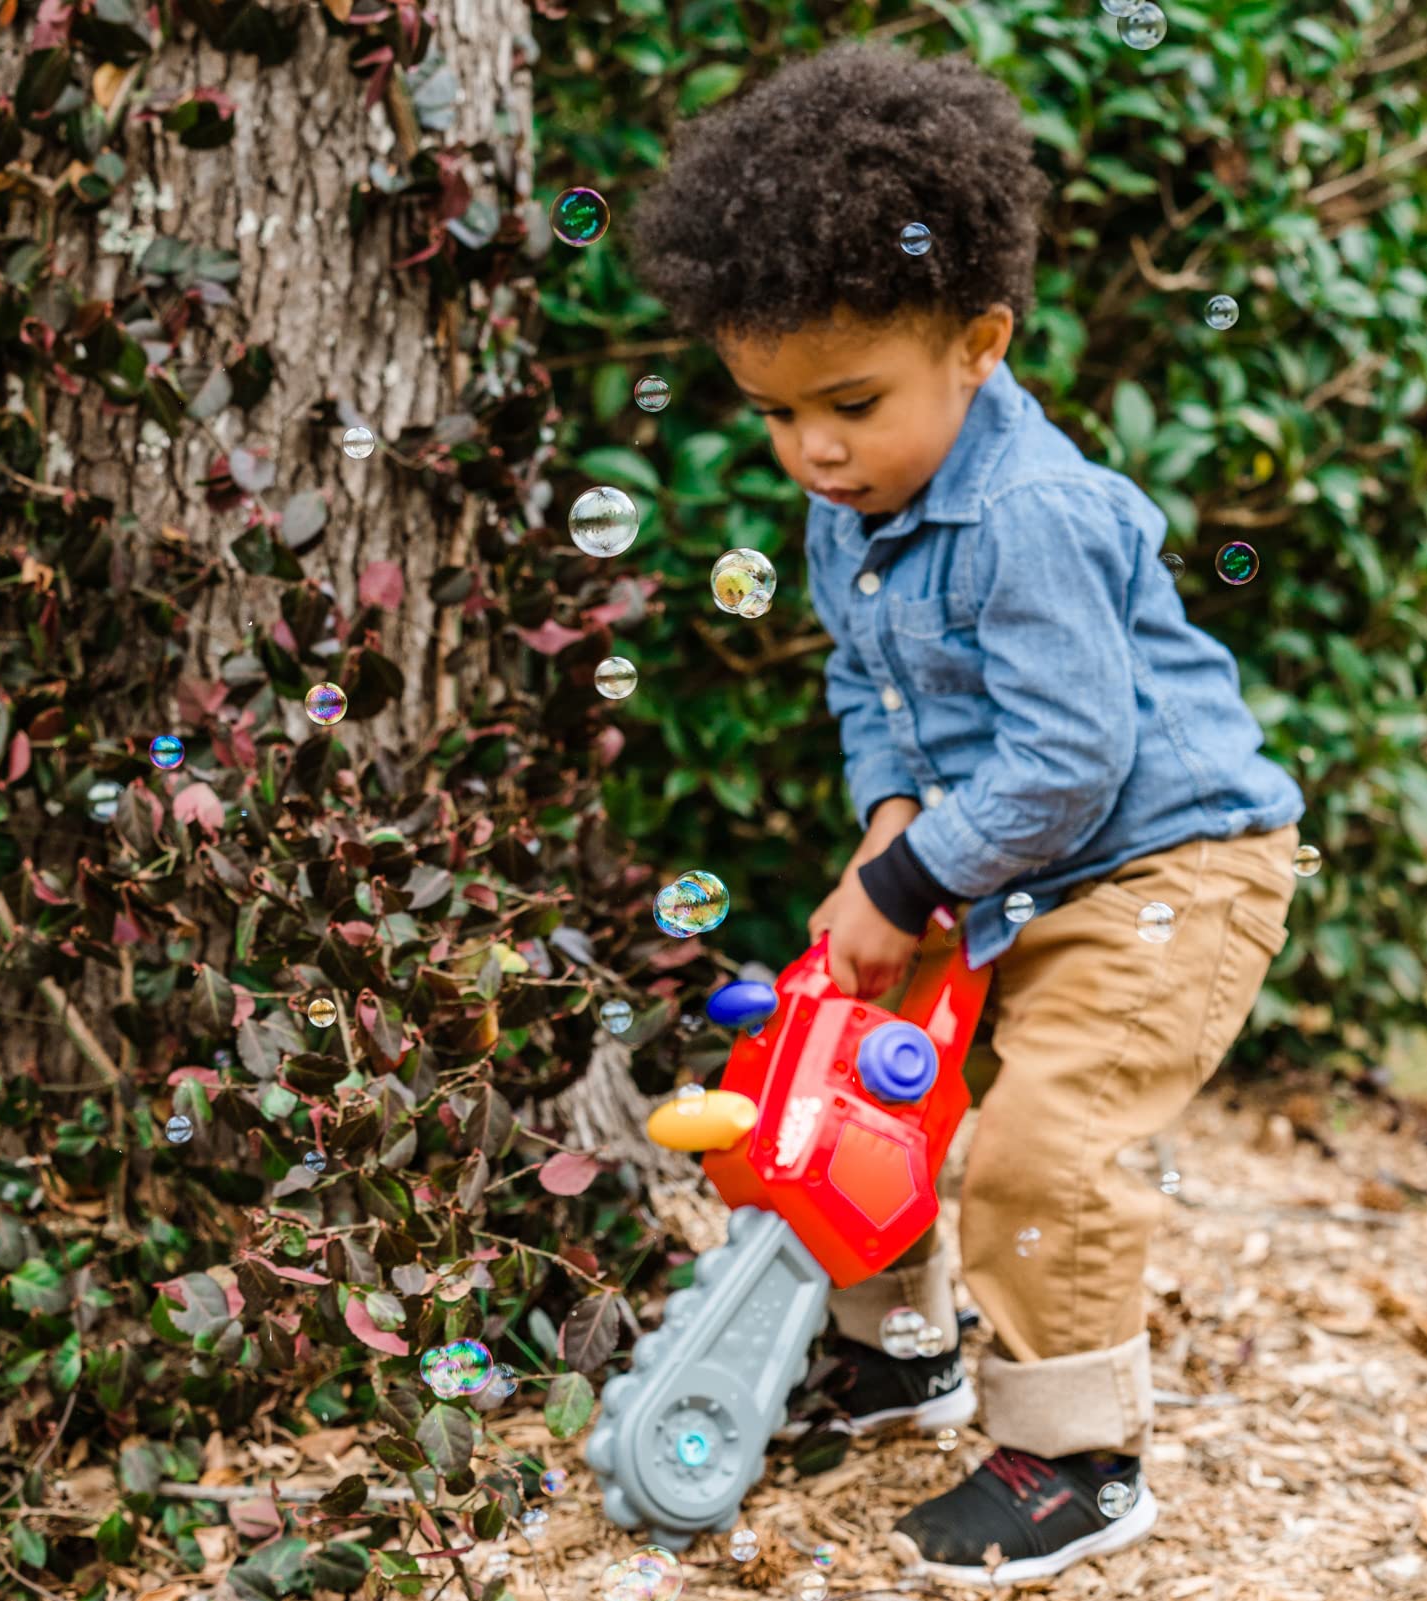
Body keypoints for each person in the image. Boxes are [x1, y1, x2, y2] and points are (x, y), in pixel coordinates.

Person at [625, 39, 1305, 1589]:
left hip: (1161, 870)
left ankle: (1075, 1458)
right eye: (774, 412)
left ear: (978, 340)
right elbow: (870, 689)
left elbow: (1071, 754)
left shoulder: (1029, 515)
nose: (812, 450)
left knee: (1033, 1150)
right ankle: (899, 1355)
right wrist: (888, 823)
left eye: (850, 403)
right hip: (990, 854)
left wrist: (915, 863)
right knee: (854, 1084)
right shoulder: (845, 502)